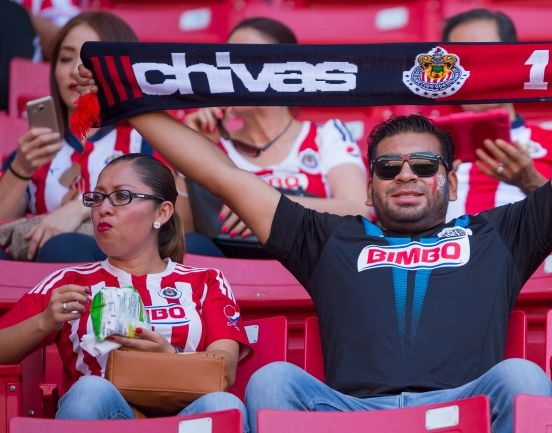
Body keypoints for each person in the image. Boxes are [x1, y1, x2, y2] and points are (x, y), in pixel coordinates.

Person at [78, 48, 552, 433]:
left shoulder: (501, 230)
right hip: (346, 414)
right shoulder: (325, 234)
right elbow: (213, 170)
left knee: (521, 377)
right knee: (277, 379)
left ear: (449, 177)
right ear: (369, 182)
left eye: (423, 165)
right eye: (389, 167)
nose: (406, 176)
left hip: (466, 400)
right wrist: (129, 101)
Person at [0, 153, 251, 430]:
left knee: (223, 406)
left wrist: (171, 357)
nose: (102, 209)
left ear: (162, 213)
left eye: (121, 197)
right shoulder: (68, 282)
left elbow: (225, 368)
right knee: (91, 390)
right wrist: (44, 322)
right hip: (108, 418)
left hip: (186, 419)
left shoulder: (206, 281)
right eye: (97, 198)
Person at [180, 17, 369, 247]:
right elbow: (182, 238)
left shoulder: (327, 135)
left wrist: (268, 206)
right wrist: (194, 151)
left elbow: (359, 211)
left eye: (246, 61)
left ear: (286, 70)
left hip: (309, 263)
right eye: (227, 62)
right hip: (233, 265)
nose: (233, 72)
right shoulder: (213, 143)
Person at [0, 12, 154, 262]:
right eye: (65, 58)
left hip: (116, 272)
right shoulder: (37, 146)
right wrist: (21, 169)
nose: (73, 71)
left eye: (87, 60)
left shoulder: (143, 139)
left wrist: (80, 207)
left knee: (62, 249)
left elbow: (161, 213)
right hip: (39, 278)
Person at [442, 9, 552, 245]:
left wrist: (532, 183)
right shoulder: (426, 147)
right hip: (442, 276)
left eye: (486, 55)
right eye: (461, 59)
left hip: (536, 279)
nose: (473, 69)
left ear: (515, 61)